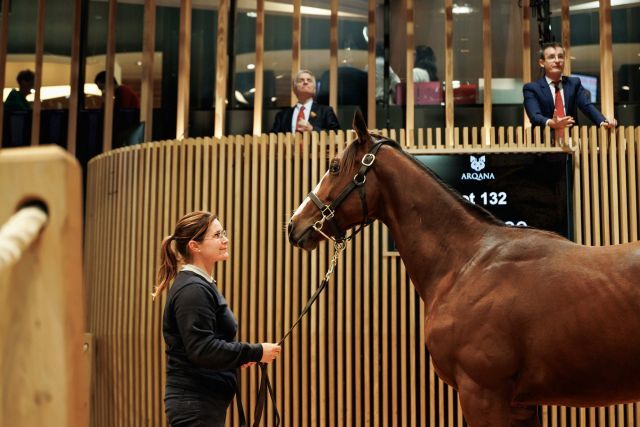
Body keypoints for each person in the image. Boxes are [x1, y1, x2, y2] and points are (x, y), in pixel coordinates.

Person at [154, 211, 281, 427]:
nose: (225, 239)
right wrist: (256, 351)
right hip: (195, 403)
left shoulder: (199, 285)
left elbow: (206, 347)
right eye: (217, 235)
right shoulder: (193, 289)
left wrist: (235, 358)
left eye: (224, 233)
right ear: (195, 246)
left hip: (201, 402)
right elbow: (202, 350)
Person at [523, 42, 616, 131]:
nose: (557, 60)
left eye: (560, 56)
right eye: (551, 57)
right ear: (542, 63)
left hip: (571, 138)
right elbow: (535, 116)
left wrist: (603, 121)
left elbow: (587, 106)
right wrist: (552, 123)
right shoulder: (532, 88)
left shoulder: (574, 83)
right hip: (544, 141)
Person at [270, 69, 340, 133]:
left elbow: (337, 134)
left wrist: (312, 129)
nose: (305, 82)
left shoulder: (326, 111)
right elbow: (272, 139)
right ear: (294, 89)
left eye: (309, 80)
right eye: (301, 80)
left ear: (314, 89)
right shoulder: (282, 116)